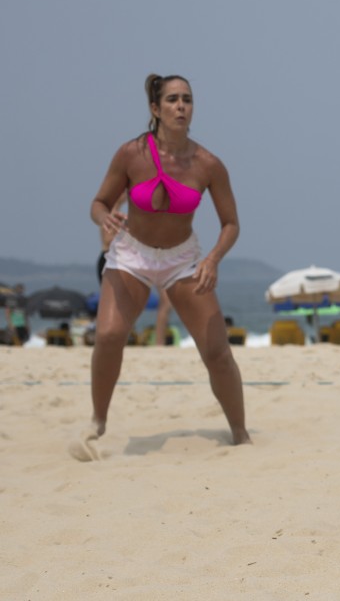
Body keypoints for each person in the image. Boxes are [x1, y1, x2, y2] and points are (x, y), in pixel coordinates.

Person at [79, 73, 251, 459]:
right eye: (172, 99)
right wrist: (103, 218)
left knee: (218, 352)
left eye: (187, 99)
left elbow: (231, 224)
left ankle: (240, 435)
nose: (181, 106)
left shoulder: (208, 164)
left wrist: (212, 260)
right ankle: (98, 420)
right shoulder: (130, 154)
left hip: (182, 259)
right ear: (155, 109)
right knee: (108, 336)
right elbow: (99, 202)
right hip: (132, 255)